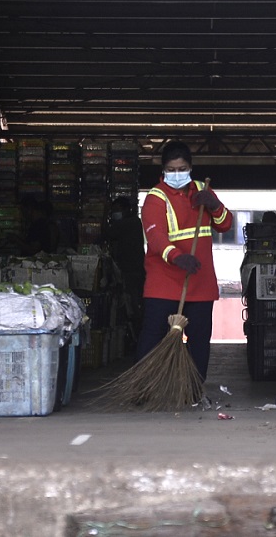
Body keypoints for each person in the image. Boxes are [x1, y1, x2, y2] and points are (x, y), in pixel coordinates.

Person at [138, 140, 232, 380]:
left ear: (190, 167)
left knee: (199, 343)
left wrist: (214, 205)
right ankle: (145, 388)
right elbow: (155, 236)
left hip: (200, 285)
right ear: (163, 170)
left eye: (181, 169)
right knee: (152, 340)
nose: (176, 174)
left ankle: (194, 389)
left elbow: (225, 225)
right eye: (171, 170)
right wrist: (178, 257)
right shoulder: (155, 198)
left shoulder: (203, 190)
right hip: (164, 285)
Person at [105, 196, 146, 334]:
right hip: (130, 269)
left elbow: (107, 233)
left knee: (132, 303)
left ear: (126, 210)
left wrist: (104, 214)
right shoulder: (133, 222)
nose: (115, 213)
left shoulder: (131, 223)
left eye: (117, 210)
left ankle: (136, 333)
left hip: (132, 270)